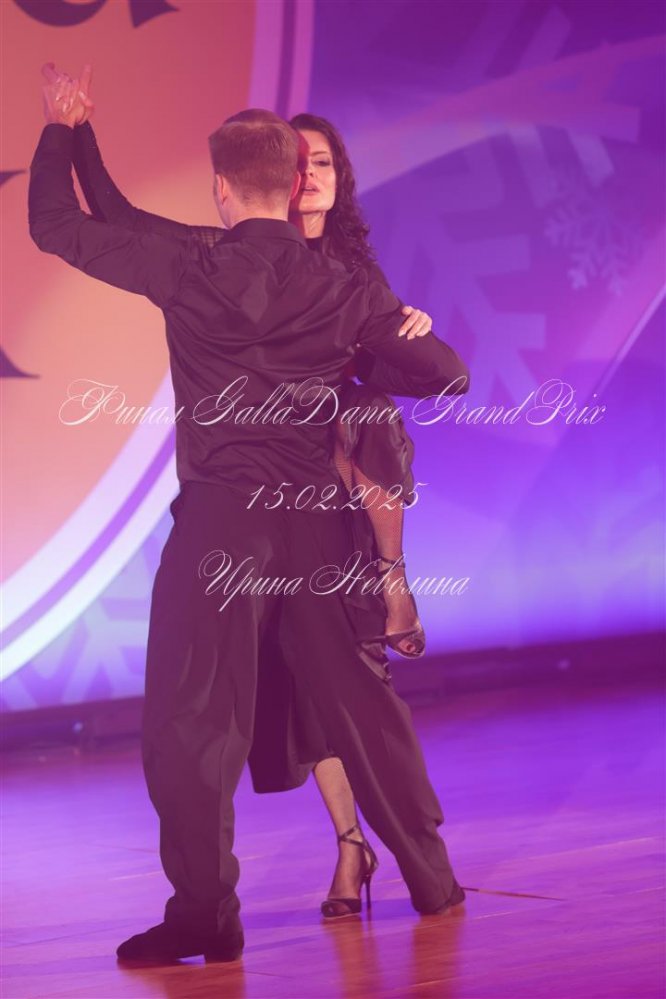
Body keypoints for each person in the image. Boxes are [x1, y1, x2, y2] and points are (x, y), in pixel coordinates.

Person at [31, 66, 470, 964]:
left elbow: (61, 225)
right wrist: (387, 345)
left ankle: (206, 915)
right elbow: (447, 375)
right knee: (363, 703)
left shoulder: (191, 263)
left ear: (222, 189)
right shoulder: (345, 286)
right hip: (314, 523)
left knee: (194, 718)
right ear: (291, 181)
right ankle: (432, 878)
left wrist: (61, 128)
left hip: (223, 526)